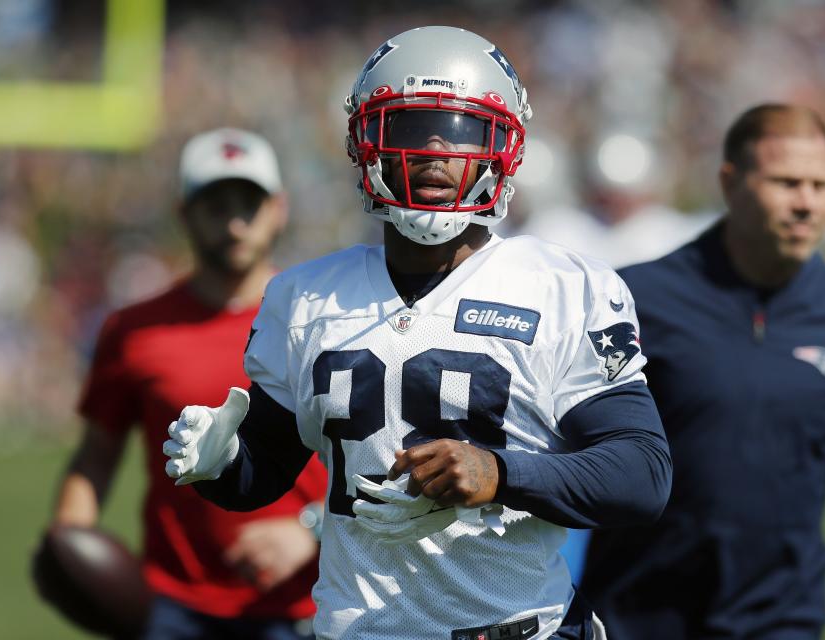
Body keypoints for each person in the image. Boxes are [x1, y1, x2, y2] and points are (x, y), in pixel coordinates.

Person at [163, 26, 672, 640]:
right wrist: (221, 465)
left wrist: (501, 474)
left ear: (503, 146)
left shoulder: (565, 287)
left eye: (461, 130)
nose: (435, 149)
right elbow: (265, 473)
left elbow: (641, 474)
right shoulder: (305, 297)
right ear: (366, 142)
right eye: (408, 128)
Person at [581, 104, 825, 640]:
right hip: (635, 612)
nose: (807, 204)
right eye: (787, 182)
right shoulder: (633, 299)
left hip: (781, 619)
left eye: (821, 186)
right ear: (730, 182)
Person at [47, 127, 328, 639]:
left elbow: (373, 457)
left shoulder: (325, 321)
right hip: (172, 606)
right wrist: (67, 539)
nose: (235, 223)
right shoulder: (134, 330)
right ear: (185, 214)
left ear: (279, 209)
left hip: (307, 604)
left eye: (250, 203)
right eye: (216, 205)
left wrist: (312, 529)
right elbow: (96, 455)